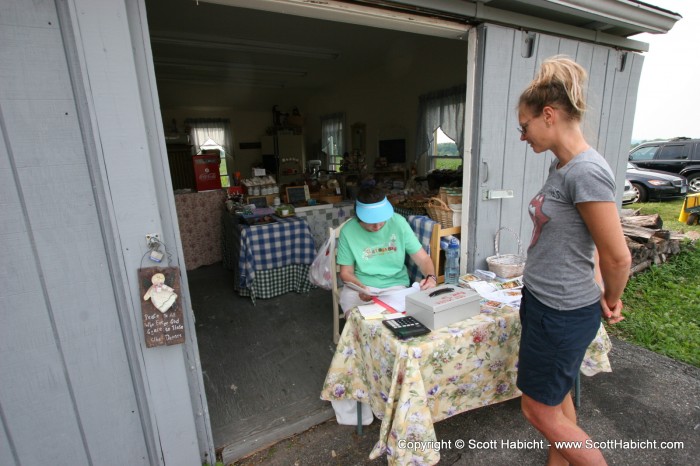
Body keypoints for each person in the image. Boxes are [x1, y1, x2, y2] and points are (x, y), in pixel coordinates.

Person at [515, 55, 632, 465]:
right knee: (558, 398)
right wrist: (598, 285)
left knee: (538, 410)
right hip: (546, 301)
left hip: (561, 312)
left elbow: (617, 255)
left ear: (548, 115)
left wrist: (611, 297)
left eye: (524, 126)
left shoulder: (586, 171)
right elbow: (590, 244)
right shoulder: (562, 166)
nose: (522, 135)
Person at [337, 186, 437, 313]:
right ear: (359, 216)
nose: (377, 226)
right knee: (358, 319)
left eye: (381, 220)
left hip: (395, 287)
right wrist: (362, 288)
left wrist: (431, 277)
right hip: (360, 287)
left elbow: (423, 259)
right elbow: (346, 272)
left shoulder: (398, 223)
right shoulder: (348, 231)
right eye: (371, 221)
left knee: (397, 322)